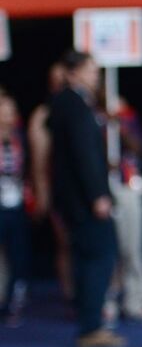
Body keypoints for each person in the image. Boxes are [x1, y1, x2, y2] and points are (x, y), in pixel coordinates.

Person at [47, 51, 123, 347]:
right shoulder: (75, 105)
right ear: (73, 72)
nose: (96, 77)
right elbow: (84, 156)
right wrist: (98, 196)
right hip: (84, 200)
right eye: (91, 71)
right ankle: (92, 326)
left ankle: (88, 320)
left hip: (74, 200)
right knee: (100, 257)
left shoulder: (67, 103)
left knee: (86, 257)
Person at [106, 97, 142, 325]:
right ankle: (107, 303)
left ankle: (136, 300)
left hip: (130, 191)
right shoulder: (94, 122)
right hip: (106, 190)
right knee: (108, 252)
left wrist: (121, 127)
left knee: (133, 249)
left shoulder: (129, 123)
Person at [28, 62, 72, 306]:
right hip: (59, 189)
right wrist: (42, 192)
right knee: (65, 243)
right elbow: (39, 159)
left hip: (83, 188)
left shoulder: (84, 107)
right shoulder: (44, 115)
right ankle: (71, 294)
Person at [0, 96, 32, 327]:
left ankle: (13, 301)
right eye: (5, 111)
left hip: (17, 203)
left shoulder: (19, 138)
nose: (10, 115)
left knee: (17, 254)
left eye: (12, 110)